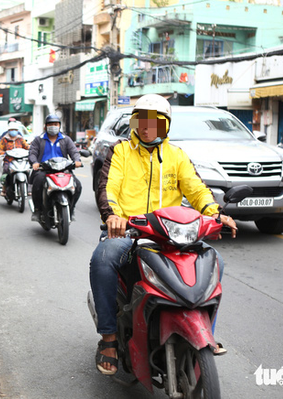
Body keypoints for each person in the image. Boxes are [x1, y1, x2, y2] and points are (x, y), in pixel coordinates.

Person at [89, 94, 237, 376]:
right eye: (142, 121)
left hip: (172, 234)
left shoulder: (176, 156)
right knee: (103, 259)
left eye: (154, 122)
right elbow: (108, 187)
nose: (147, 128)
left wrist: (214, 214)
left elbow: (196, 189)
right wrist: (113, 216)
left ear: (165, 125)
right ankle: (108, 338)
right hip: (132, 232)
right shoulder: (121, 151)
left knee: (214, 260)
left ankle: (204, 330)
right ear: (135, 123)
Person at [28, 114, 82, 222]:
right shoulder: (39, 140)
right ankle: (37, 210)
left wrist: (77, 161)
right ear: (45, 126)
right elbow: (32, 153)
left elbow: (74, 152)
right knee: (37, 183)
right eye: (50, 124)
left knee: (78, 185)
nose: (53, 126)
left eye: (55, 124)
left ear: (59, 126)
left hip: (63, 169)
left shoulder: (66, 139)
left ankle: (71, 209)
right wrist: (34, 162)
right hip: (44, 169)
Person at [0, 122, 29, 196]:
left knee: (28, 170)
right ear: (9, 130)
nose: (13, 131)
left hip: (21, 160)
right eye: (12, 129)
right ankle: (4, 189)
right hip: (9, 160)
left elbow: (26, 147)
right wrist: (3, 153)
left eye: (15, 129)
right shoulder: (4, 139)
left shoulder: (20, 139)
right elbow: (0, 149)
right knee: (5, 171)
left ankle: (28, 188)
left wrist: (31, 150)